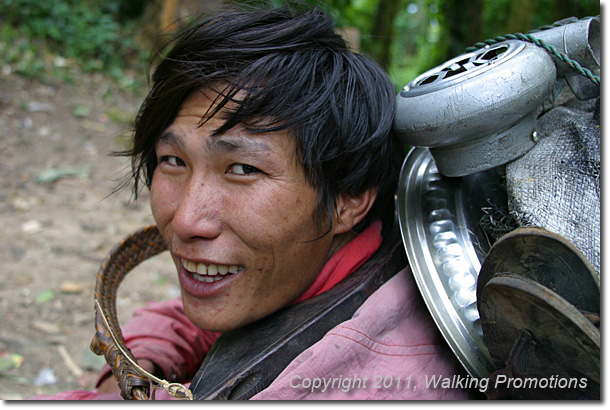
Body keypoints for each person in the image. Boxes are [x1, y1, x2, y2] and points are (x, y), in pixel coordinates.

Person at [32, 5, 473, 400]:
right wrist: (137, 364)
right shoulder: (339, 266)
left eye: (243, 168)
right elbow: (199, 324)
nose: (185, 220)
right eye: (173, 160)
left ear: (350, 197)